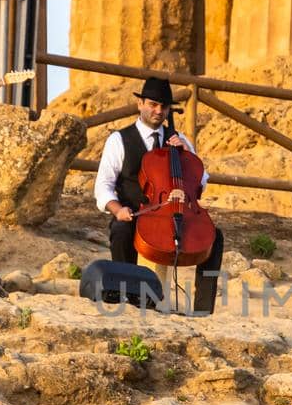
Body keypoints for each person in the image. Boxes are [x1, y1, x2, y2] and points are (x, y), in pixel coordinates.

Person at [94, 76, 225, 313]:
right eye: (152, 104)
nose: (158, 111)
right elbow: (103, 185)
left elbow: (200, 183)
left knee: (214, 236)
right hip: (135, 213)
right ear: (140, 104)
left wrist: (187, 154)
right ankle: (128, 299)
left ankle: (203, 309)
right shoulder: (119, 140)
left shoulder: (179, 140)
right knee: (120, 230)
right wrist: (117, 209)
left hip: (174, 214)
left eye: (163, 107)